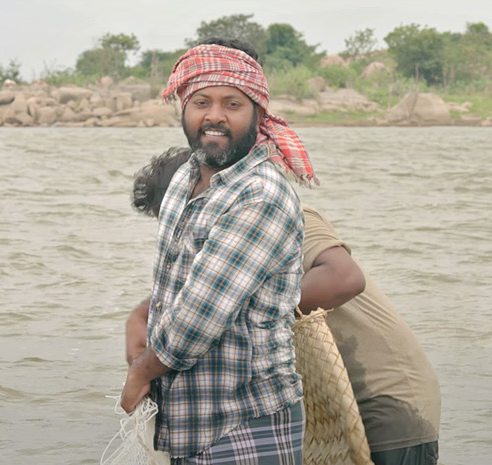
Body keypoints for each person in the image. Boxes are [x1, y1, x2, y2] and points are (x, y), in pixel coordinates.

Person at [129, 147, 441, 465]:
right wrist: (143, 317)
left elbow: (343, 278)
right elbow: (203, 300)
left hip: (387, 400)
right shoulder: (224, 245)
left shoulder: (273, 211)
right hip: (329, 411)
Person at [120, 38, 317, 464]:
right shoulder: (186, 177)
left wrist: (140, 371)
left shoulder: (260, 194)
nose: (214, 116)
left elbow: (197, 319)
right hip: (191, 421)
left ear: (258, 115)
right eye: (201, 102)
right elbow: (177, 286)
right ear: (184, 110)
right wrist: (143, 317)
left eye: (232, 104)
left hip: (244, 420)